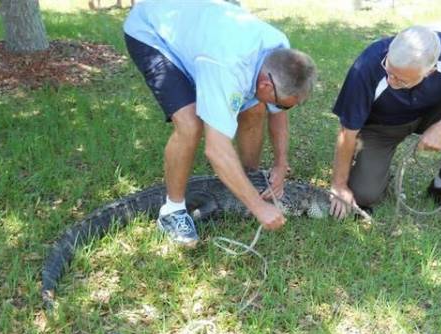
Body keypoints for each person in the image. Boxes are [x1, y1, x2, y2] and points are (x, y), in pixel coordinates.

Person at [123, 0, 317, 246]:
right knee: (190, 123)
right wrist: (259, 207)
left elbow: (276, 109)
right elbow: (216, 149)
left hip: (199, 32)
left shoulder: (282, 52)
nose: (282, 109)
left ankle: (246, 179)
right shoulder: (225, 68)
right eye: (284, 103)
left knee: (256, 108)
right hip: (152, 31)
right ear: (266, 85)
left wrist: (281, 163)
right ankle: (172, 212)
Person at [329, 25, 441, 219]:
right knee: (364, 194)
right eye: (389, 71)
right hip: (381, 126)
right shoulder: (366, 66)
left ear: (430, 71)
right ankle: (380, 178)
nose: (391, 81)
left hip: (430, 110)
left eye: (401, 80)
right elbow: (347, 132)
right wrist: (339, 185)